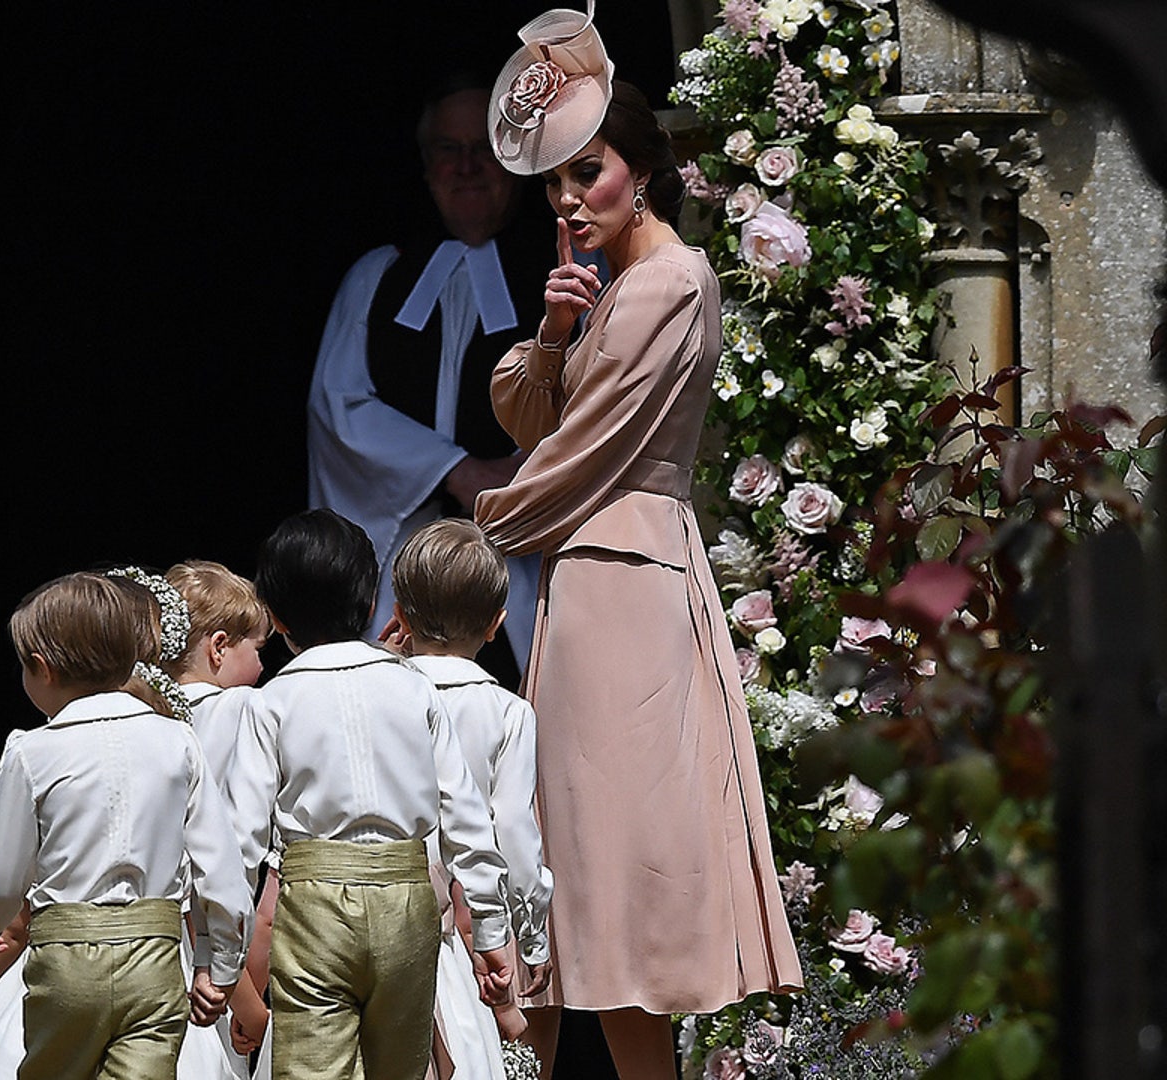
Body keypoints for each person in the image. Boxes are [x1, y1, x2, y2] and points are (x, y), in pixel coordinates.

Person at [471, 7, 802, 1077]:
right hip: (598, 581)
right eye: (556, 182)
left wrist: (474, 544)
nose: (569, 200)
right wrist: (556, 329)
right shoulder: (615, 285)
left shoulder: (669, 280)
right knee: (584, 867)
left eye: (590, 172)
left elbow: (580, 455)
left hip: (624, 577)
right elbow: (530, 421)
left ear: (645, 170)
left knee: (617, 870)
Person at [223, 509, 516, 1080]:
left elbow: (241, 840)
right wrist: (491, 928)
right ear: (373, 601)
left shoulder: (271, 702)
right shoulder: (414, 687)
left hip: (316, 907)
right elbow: (464, 816)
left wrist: (221, 957)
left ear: (275, 617)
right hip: (407, 904)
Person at [307, 73, 553, 684]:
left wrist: (519, 477)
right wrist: (456, 471)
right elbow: (339, 408)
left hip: (522, 562)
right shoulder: (379, 277)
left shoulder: (560, 276)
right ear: (426, 166)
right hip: (404, 564)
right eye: (449, 149)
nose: (467, 166)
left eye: (485, 149)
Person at [0, 571, 253, 1080]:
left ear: (42, 669)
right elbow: (220, 868)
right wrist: (220, 965)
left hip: (67, 963)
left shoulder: (32, 751)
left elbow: (4, 874)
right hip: (155, 959)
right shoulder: (178, 742)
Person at [387, 518, 555, 1070]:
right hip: (454, 938)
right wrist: (530, 938)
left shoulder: (378, 693)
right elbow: (514, 833)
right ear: (496, 625)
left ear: (402, 615)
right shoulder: (507, 712)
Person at [161, 559, 276, 1071]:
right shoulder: (243, 711)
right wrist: (245, 994)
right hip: (213, 954)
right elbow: (227, 857)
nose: (262, 667)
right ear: (220, 646)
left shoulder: (142, 716)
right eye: (258, 650)